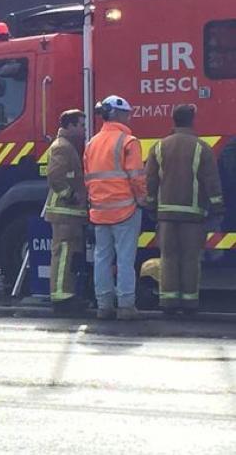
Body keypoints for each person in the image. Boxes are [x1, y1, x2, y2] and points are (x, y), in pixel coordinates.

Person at [144, 105, 224, 315]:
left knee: (168, 258)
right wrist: (217, 208)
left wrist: (151, 206)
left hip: (166, 216)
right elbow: (211, 182)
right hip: (193, 215)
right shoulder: (202, 148)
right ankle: (189, 304)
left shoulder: (159, 147)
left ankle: (169, 303)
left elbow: (150, 181)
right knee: (190, 258)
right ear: (192, 120)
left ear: (173, 120)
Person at [84, 95, 147, 321]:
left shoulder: (91, 143)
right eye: (127, 113)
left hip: (99, 211)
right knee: (125, 259)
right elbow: (137, 177)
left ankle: (104, 305)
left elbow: (88, 177)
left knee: (102, 258)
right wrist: (142, 199)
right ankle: (126, 306)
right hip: (125, 210)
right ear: (118, 114)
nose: (129, 117)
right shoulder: (128, 141)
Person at [42, 109, 89, 315]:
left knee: (68, 256)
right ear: (69, 126)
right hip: (64, 212)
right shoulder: (62, 147)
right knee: (63, 256)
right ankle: (61, 298)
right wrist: (70, 195)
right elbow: (54, 176)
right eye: (81, 124)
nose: (84, 129)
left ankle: (67, 294)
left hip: (69, 214)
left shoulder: (67, 146)